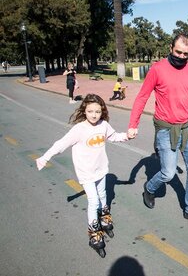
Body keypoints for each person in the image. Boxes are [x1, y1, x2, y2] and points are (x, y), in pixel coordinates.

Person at [127, 34, 188, 225]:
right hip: (165, 129)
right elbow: (142, 97)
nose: (181, 56)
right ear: (171, 48)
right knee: (168, 173)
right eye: (178, 52)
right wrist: (133, 124)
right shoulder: (157, 69)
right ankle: (149, 188)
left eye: (186, 54)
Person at [36, 94, 131, 251]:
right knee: (93, 201)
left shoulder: (104, 125)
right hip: (86, 173)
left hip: (101, 169)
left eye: (97, 112)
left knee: (103, 195)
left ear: (102, 112)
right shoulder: (79, 129)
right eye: (90, 111)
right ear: (84, 111)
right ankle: (94, 232)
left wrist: (127, 136)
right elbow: (61, 144)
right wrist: (45, 157)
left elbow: (114, 136)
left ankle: (104, 216)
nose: (94, 115)